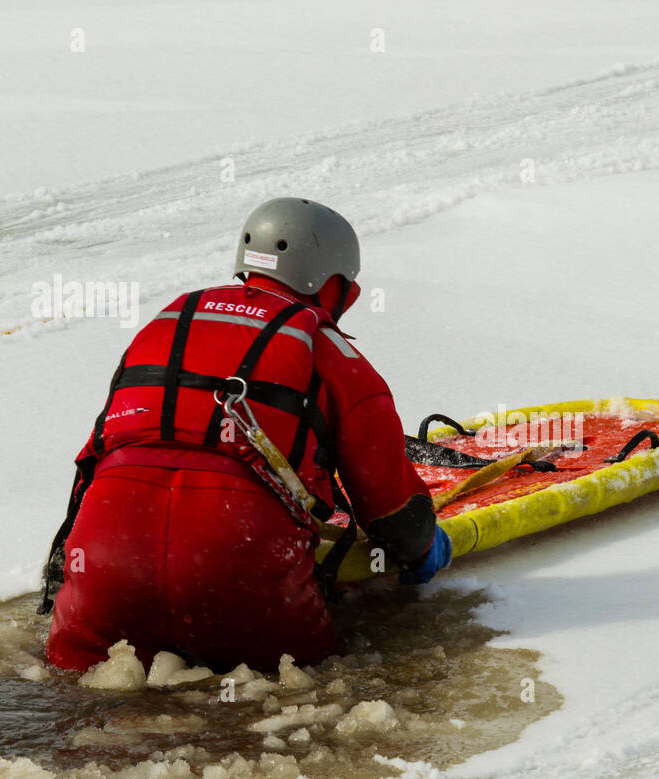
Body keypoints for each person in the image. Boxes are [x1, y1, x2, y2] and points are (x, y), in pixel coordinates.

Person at [40, 197, 451, 673]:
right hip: (239, 573)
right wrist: (424, 548)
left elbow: (97, 456)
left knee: (84, 685)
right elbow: (392, 509)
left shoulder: (167, 322)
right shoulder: (331, 351)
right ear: (337, 286)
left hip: (106, 569)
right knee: (294, 682)